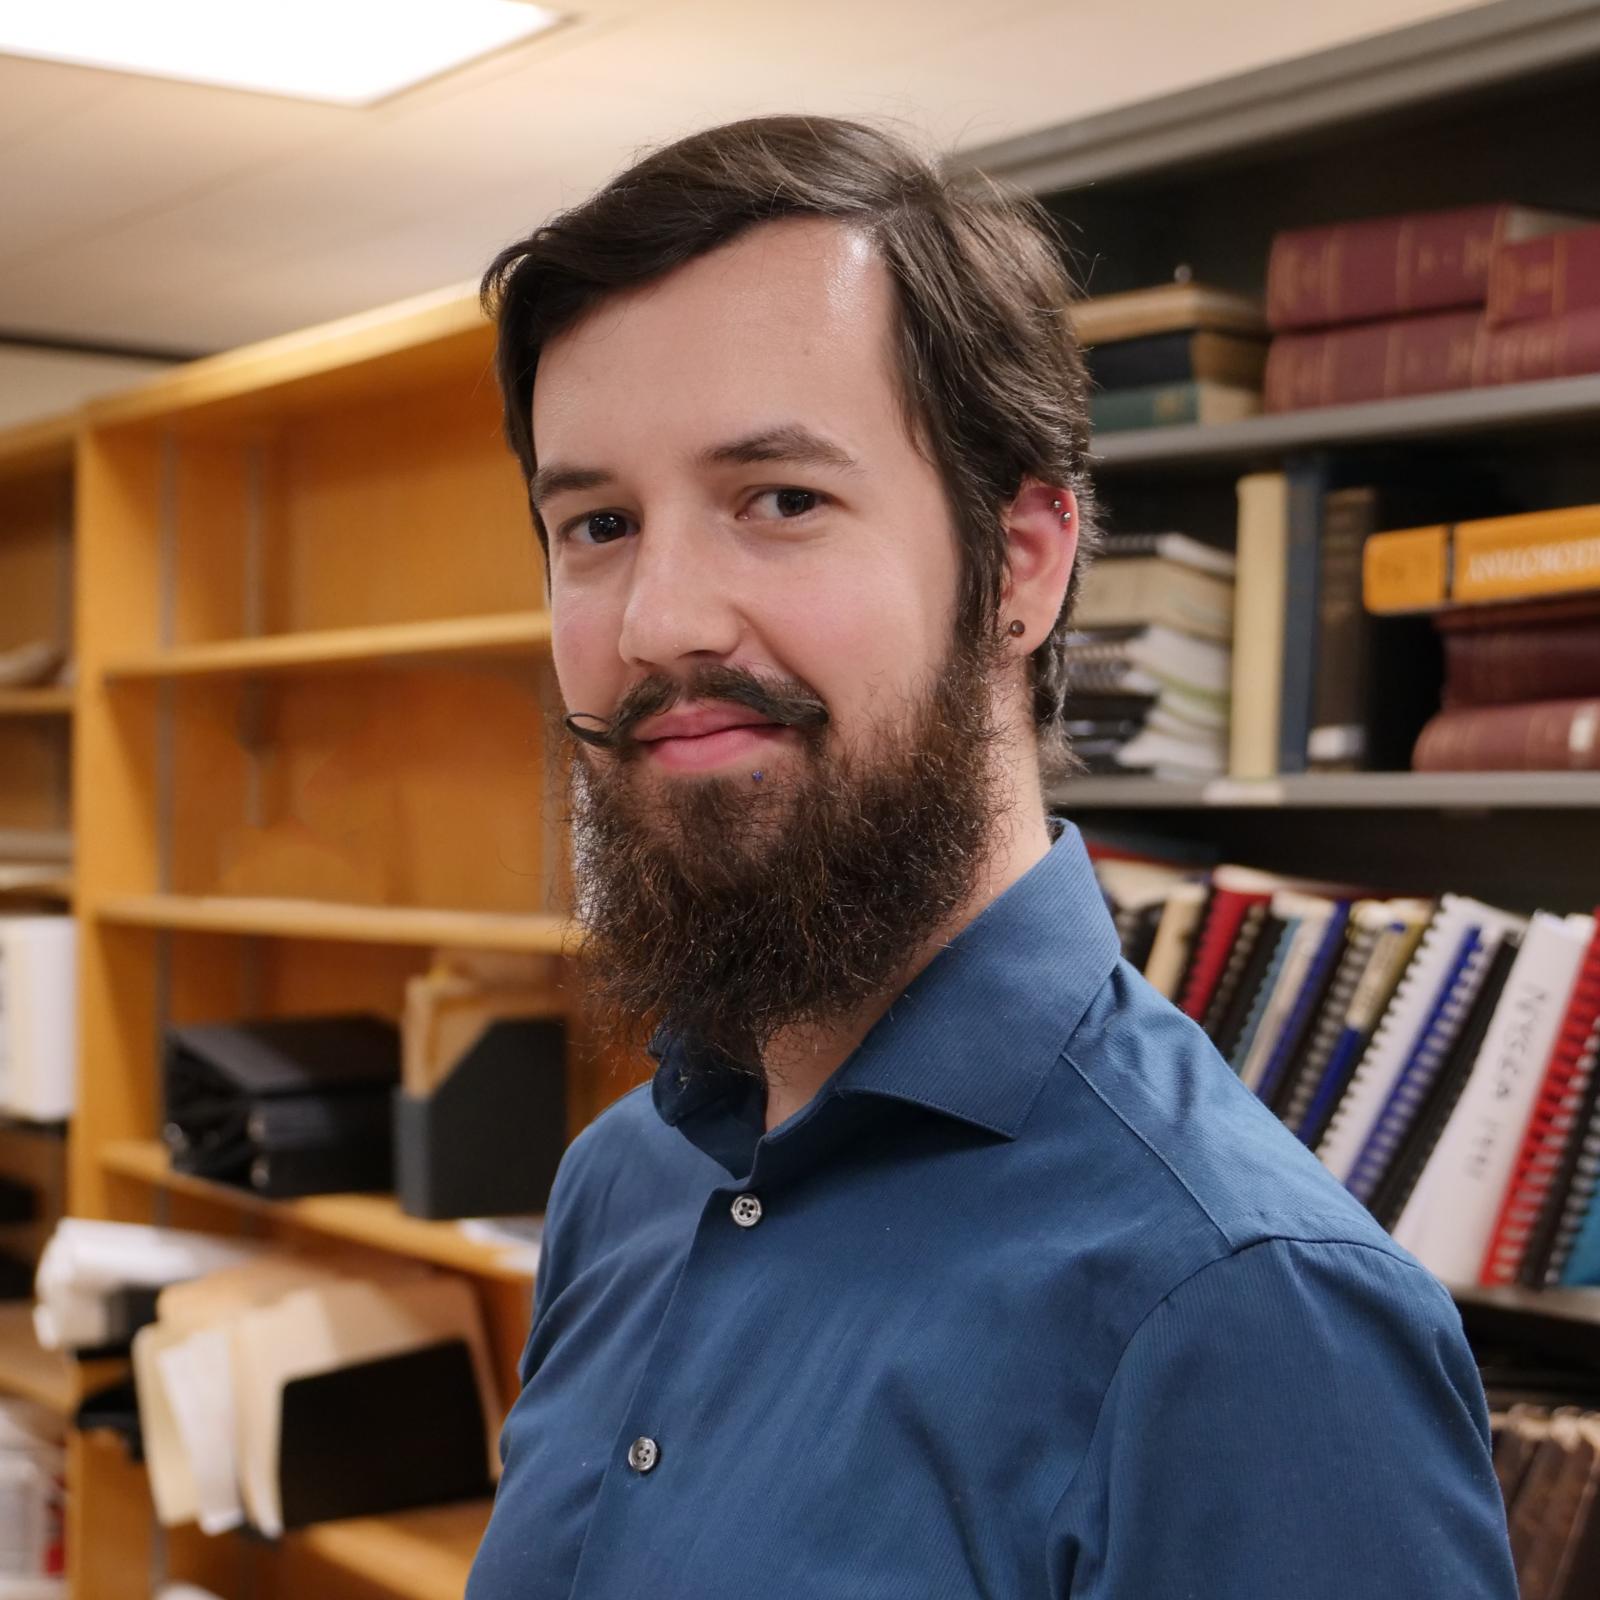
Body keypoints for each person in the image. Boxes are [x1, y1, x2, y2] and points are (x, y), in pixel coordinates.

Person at [465, 115, 1515, 1599]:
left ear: (1023, 561)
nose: (659, 622)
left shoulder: (1248, 1310)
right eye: (597, 524)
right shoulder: (623, 1183)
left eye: (782, 500)